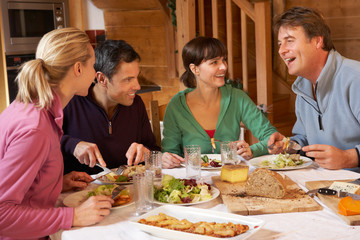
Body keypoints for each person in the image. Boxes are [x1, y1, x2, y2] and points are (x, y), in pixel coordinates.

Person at [0, 28, 114, 240]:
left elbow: (22, 187)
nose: (95, 72)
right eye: (93, 64)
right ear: (78, 68)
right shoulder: (34, 128)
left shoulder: (36, 109)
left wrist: (53, 182)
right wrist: (73, 216)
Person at [268, 6, 360, 171]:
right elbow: (304, 138)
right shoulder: (302, 88)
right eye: (280, 43)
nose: (281, 50)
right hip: (321, 182)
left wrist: (350, 158)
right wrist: (289, 146)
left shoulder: (355, 78)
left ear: (318, 41)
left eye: (289, 40)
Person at [161, 36, 277, 165]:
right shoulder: (177, 105)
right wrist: (167, 159)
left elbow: (271, 136)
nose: (223, 67)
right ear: (195, 69)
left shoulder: (237, 98)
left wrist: (252, 150)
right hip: (194, 180)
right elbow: (171, 152)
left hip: (231, 176)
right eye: (214, 62)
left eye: (224, 60)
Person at [61, 39, 160, 175]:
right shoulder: (70, 102)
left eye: (137, 77)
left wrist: (147, 152)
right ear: (102, 79)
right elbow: (46, 145)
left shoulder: (136, 104)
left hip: (126, 191)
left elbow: (154, 150)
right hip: (80, 192)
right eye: (128, 79)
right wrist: (73, 145)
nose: (137, 86)